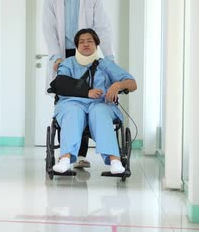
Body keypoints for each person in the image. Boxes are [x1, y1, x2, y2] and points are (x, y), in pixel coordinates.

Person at [42, 0, 114, 168]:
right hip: (64, 55)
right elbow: (49, 29)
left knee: (86, 99)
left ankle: (80, 156)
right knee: (67, 101)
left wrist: (107, 58)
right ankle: (66, 153)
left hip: (88, 51)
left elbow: (103, 27)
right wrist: (56, 57)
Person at [51, 29, 137, 175]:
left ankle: (115, 161)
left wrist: (117, 85)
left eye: (89, 41)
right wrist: (86, 92)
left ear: (96, 45)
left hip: (100, 104)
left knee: (99, 111)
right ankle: (65, 159)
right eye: (81, 42)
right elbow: (59, 84)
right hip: (72, 103)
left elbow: (132, 84)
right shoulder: (68, 63)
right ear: (76, 46)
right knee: (73, 111)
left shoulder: (105, 64)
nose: (85, 44)